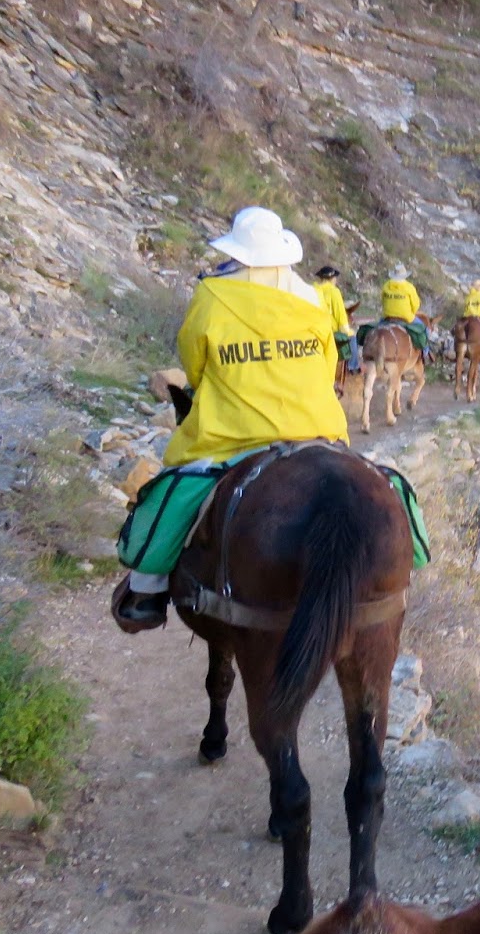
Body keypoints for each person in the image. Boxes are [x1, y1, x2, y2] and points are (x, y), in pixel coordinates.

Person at [112, 207, 349, 631]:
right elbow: (329, 362)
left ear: (237, 250)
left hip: (235, 432)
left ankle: (146, 588)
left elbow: (195, 363)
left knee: (178, 484)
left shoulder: (212, 295)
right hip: (317, 426)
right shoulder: (312, 296)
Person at [313, 266, 360, 375]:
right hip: (329, 330)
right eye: (335, 278)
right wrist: (347, 331)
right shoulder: (334, 292)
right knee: (352, 337)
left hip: (314, 328)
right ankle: (352, 366)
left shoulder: (314, 290)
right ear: (332, 279)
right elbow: (341, 316)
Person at [377, 264, 431, 353]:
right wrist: (411, 313)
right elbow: (416, 305)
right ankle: (425, 353)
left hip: (388, 317)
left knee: (376, 329)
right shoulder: (409, 287)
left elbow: (383, 301)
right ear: (404, 276)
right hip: (406, 318)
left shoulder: (386, 285)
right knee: (425, 330)